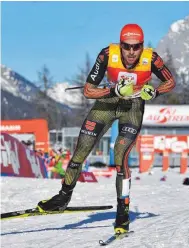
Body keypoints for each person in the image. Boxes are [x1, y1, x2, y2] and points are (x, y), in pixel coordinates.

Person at [37, 24, 176, 235]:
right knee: (80, 151)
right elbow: (88, 90)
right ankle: (63, 197)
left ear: (142, 46)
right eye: (126, 47)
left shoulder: (152, 58)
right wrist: (113, 89)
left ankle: (123, 211)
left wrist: (154, 92)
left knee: (120, 155)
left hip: (133, 107)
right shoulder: (107, 54)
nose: (131, 52)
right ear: (120, 45)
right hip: (107, 104)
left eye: (136, 47)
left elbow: (170, 82)